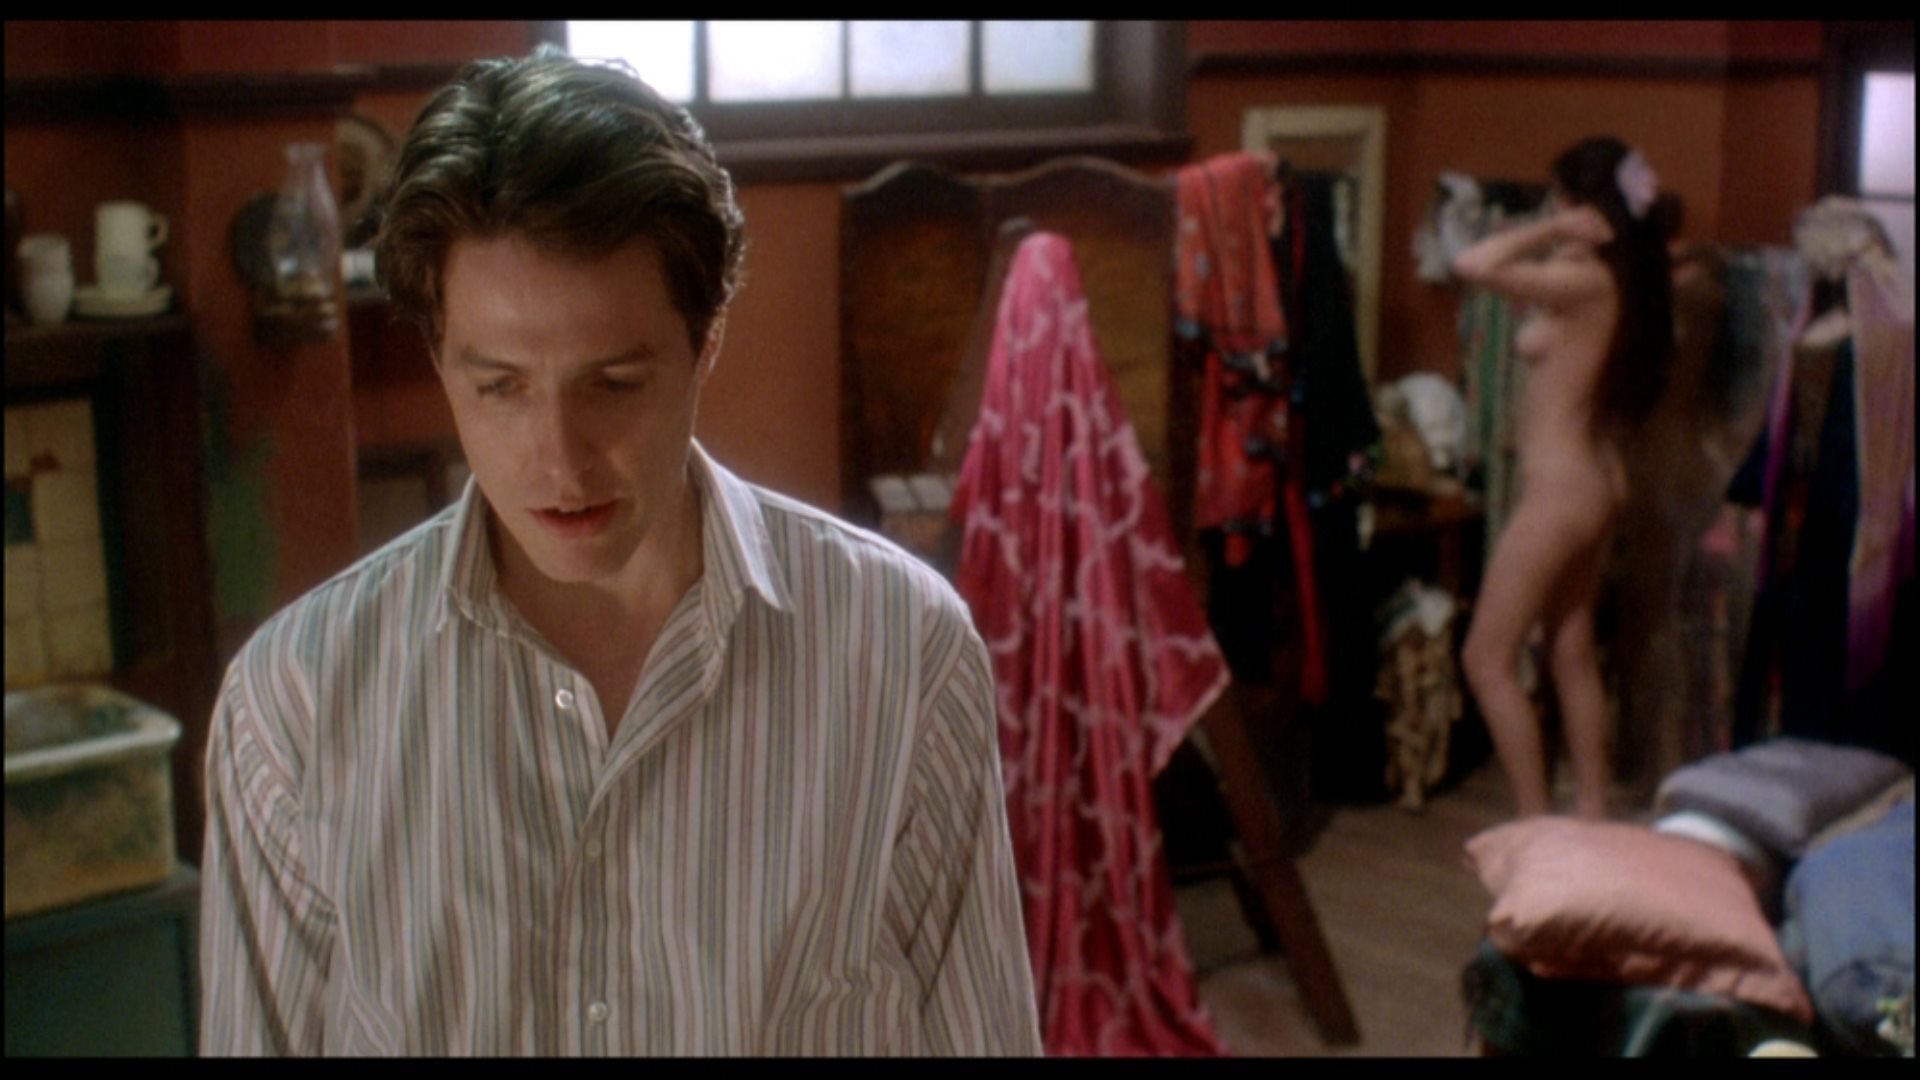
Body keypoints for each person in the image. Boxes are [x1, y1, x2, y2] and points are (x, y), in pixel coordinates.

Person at [198, 46, 1041, 1056]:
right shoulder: (295, 701)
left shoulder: (900, 653)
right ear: (438, 358)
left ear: (706, 343)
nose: (559, 459)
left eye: (614, 383)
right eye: (500, 387)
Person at [1452, 136, 1673, 819]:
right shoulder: (1605, 278)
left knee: (1486, 660)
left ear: (1583, 206)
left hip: (1562, 490)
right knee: (1571, 652)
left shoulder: (1587, 283)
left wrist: (1549, 230)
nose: (1551, 209)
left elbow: (1472, 262)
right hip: (1590, 480)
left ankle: (1535, 825)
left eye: (1559, 198)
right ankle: (1590, 817)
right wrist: (1568, 238)